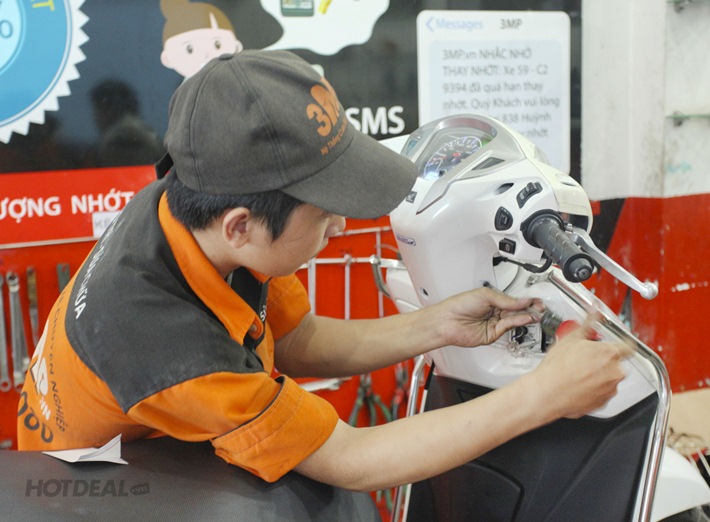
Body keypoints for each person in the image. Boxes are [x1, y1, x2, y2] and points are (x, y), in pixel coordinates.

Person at [17, 50, 626, 492]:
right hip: (92, 486)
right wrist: (543, 397)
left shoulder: (196, 206)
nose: (339, 227)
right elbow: (351, 460)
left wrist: (437, 325)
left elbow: (298, 339)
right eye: (325, 212)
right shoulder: (171, 349)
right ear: (241, 226)